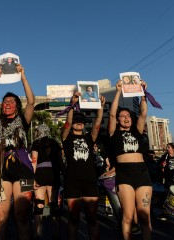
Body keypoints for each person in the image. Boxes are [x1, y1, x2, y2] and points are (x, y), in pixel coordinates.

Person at [0, 63, 34, 240]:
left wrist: (23, 78)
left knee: (22, 215)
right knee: (0, 215)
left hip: (24, 170)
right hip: (0, 170)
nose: (8, 103)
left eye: (12, 101)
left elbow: (31, 101)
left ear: (17, 106)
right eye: (5, 101)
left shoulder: (23, 119)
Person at [108, 79, 152, 240]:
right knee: (127, 216)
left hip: (142, 173)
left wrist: (143, 94)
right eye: (122, 116)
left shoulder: (137, 131)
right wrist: (118, 90)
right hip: (124, 175)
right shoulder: (114, 134)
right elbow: (111, 114)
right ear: (118, 120)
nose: (126, 118)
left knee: (145, 217)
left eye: (128, 116)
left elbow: (143, 113)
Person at [61, 92, 105, 240]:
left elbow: (98, 122)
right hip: (72, 182)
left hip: (90, 182)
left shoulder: (89, 138)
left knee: (92, 218)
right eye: (76, 120)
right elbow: (67, 123)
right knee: (73, 218)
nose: (79, 122)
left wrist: (101, 107)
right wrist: (72, 104)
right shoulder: (67, 137)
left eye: (81, 121)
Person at [31, 124, 62, 240]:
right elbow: (60, 162)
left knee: (39, 204)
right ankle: (57, 233)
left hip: (40, 173)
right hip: (53, 174)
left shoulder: (36, 143)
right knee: (54, 205)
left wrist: (32, 178)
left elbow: (34, 162)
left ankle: (37, 234)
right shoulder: (55, 143)